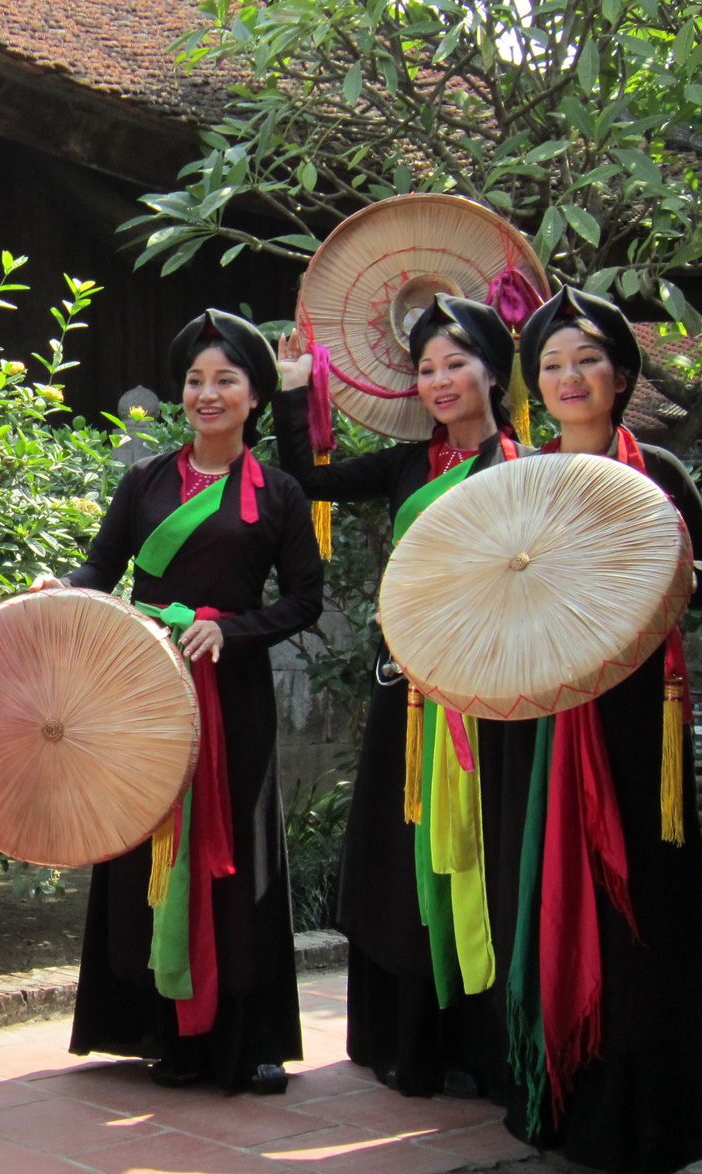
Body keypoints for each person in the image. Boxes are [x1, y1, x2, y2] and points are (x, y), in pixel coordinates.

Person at [41, 309, 323, 1094]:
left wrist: (232, 630)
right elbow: (100, 573)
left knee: (239, 858)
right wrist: (56, 592)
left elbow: (305, 601)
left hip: (232, 694)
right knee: (145, 849)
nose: (207, 393)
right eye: (196, 380)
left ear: (257, 396)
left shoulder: (282, 494)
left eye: (225, 380)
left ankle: (250, 1034)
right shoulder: (146, 482)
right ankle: (156, 1025)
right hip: (148, 687)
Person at [270, 295, 526, 1100]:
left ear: (493, 370)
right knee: (400, 852)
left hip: (493, 688)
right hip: (408, 683)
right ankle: (403, 1037)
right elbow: (306, 477)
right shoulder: (406, 465)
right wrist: (290, 389)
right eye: (426, 368)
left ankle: (482, 1040)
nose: (440, 381)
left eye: (456, 364)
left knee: (481, 852)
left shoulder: (531, 465)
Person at [503, 287, 702, 1174]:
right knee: (554, 893)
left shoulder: (657, 472)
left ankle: (657, 1111)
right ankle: (563, 1097)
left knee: (645, 903)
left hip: (641, 723)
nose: (569, 377)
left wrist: (669, 569)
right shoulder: (520, 480)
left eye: (587, 359)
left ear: (623, 375)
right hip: (544, 717)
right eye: (552, 365)